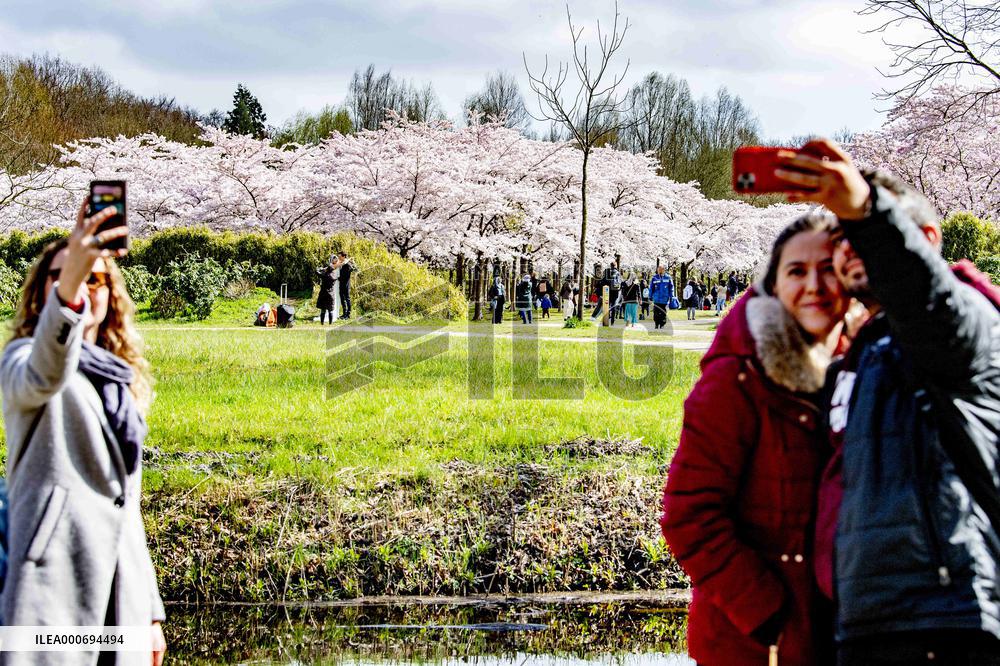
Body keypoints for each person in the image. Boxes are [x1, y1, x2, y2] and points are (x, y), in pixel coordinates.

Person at [775, 140, 1000, 665]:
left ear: (923, 241)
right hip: (864, 622)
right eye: (841, 239)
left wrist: (866, 211)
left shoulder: (964, 320)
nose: (847, 248)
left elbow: (925, 295)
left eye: (859, 237)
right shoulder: (860, 357)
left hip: (945, 617)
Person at [661, 210, 849, 666]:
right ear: (774, 286)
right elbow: (688, 516)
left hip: (840, 636)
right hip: (754, 642)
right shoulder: (738, 378)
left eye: (829, 270)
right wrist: (769, 613)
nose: (814, 285)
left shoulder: (865, 369)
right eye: (797, 271)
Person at [0, 199, 167, 665]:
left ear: (111, 294)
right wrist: (72, 276)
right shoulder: (23, 361)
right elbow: (46, 371)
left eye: (97, 280)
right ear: (45, 293)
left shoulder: (120, 382)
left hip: (121, 592)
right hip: (55, 586)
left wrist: (150, 613)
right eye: (65, 275)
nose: (83, 287)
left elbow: (126, 505)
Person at [316, 258, 340, 324]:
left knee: (323, 310)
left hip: (323, 293)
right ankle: (330, 323)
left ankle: (322, 323)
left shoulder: (324, 275)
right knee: (330, 310)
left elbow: (317, 272)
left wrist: (321, 269)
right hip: (331, 293)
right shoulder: (334, 276)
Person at [336, 251, 353, 319]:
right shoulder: (342, 264)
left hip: (346, 285)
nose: (339, 258)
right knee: (342, 300)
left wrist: (338, 278)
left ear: (344, 256)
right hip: (341, 285)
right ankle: (344, 313)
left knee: (347, 299)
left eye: (340, 256)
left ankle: (348, 314)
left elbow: (346, 275)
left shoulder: (348, 265)